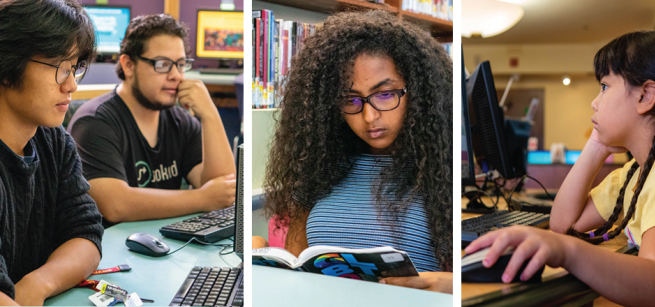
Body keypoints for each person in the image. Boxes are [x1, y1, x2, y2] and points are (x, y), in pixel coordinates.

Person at [253, 10, 453, 293]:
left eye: (385, 94)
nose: (369, 116)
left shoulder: (441, 172)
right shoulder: (321, 168)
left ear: (419, 93)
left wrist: (449, 284)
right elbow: (297, 270)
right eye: (351, 99)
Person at [465, 31, 655, 306]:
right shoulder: (632, 175)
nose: (595, 101)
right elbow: (564, 224)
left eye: (604, 86)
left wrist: (568, 251)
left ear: (645, 96)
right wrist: (596, 146)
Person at [68, 14, 236, 226]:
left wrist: (210, 115)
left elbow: (224, 190)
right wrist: (203, 199)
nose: (176, 75)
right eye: (163, 64)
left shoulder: (180, 121)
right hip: (111, 252)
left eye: (181, 64)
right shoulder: (94, 121)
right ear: (128, 65)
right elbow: (114, 205)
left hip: (166, 247)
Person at [0, 0, 104, 305]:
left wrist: (39, 283)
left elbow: (85, 232)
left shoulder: (53, 140)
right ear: (7, 66)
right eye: (60, 67)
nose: (71, 84)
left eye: (74, 69)